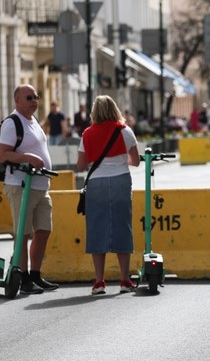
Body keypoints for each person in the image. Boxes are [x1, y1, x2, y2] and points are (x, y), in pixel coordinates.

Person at [77, 95, 141, 295]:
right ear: (114, 109)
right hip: (121, 179)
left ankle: (99, 281)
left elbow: (80, 165)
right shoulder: (125, 131)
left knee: (97, 227)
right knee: (123, 226)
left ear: (94, 112)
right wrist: (120, 160)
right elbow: (136, 161)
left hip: (96, 183)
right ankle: (124, 279)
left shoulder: (87, 133)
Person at [0, 84, 59, 294]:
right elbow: (3, 155)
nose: (34, 101)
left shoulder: (34, 122)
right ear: (17, 101)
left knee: (43, 230)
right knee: (22, 234)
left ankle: (35, 274)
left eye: (36, 97)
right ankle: (22, 277)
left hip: (41, 186)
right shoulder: (12, 123)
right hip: (20, 186)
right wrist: (27, 157)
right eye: (29, 98)